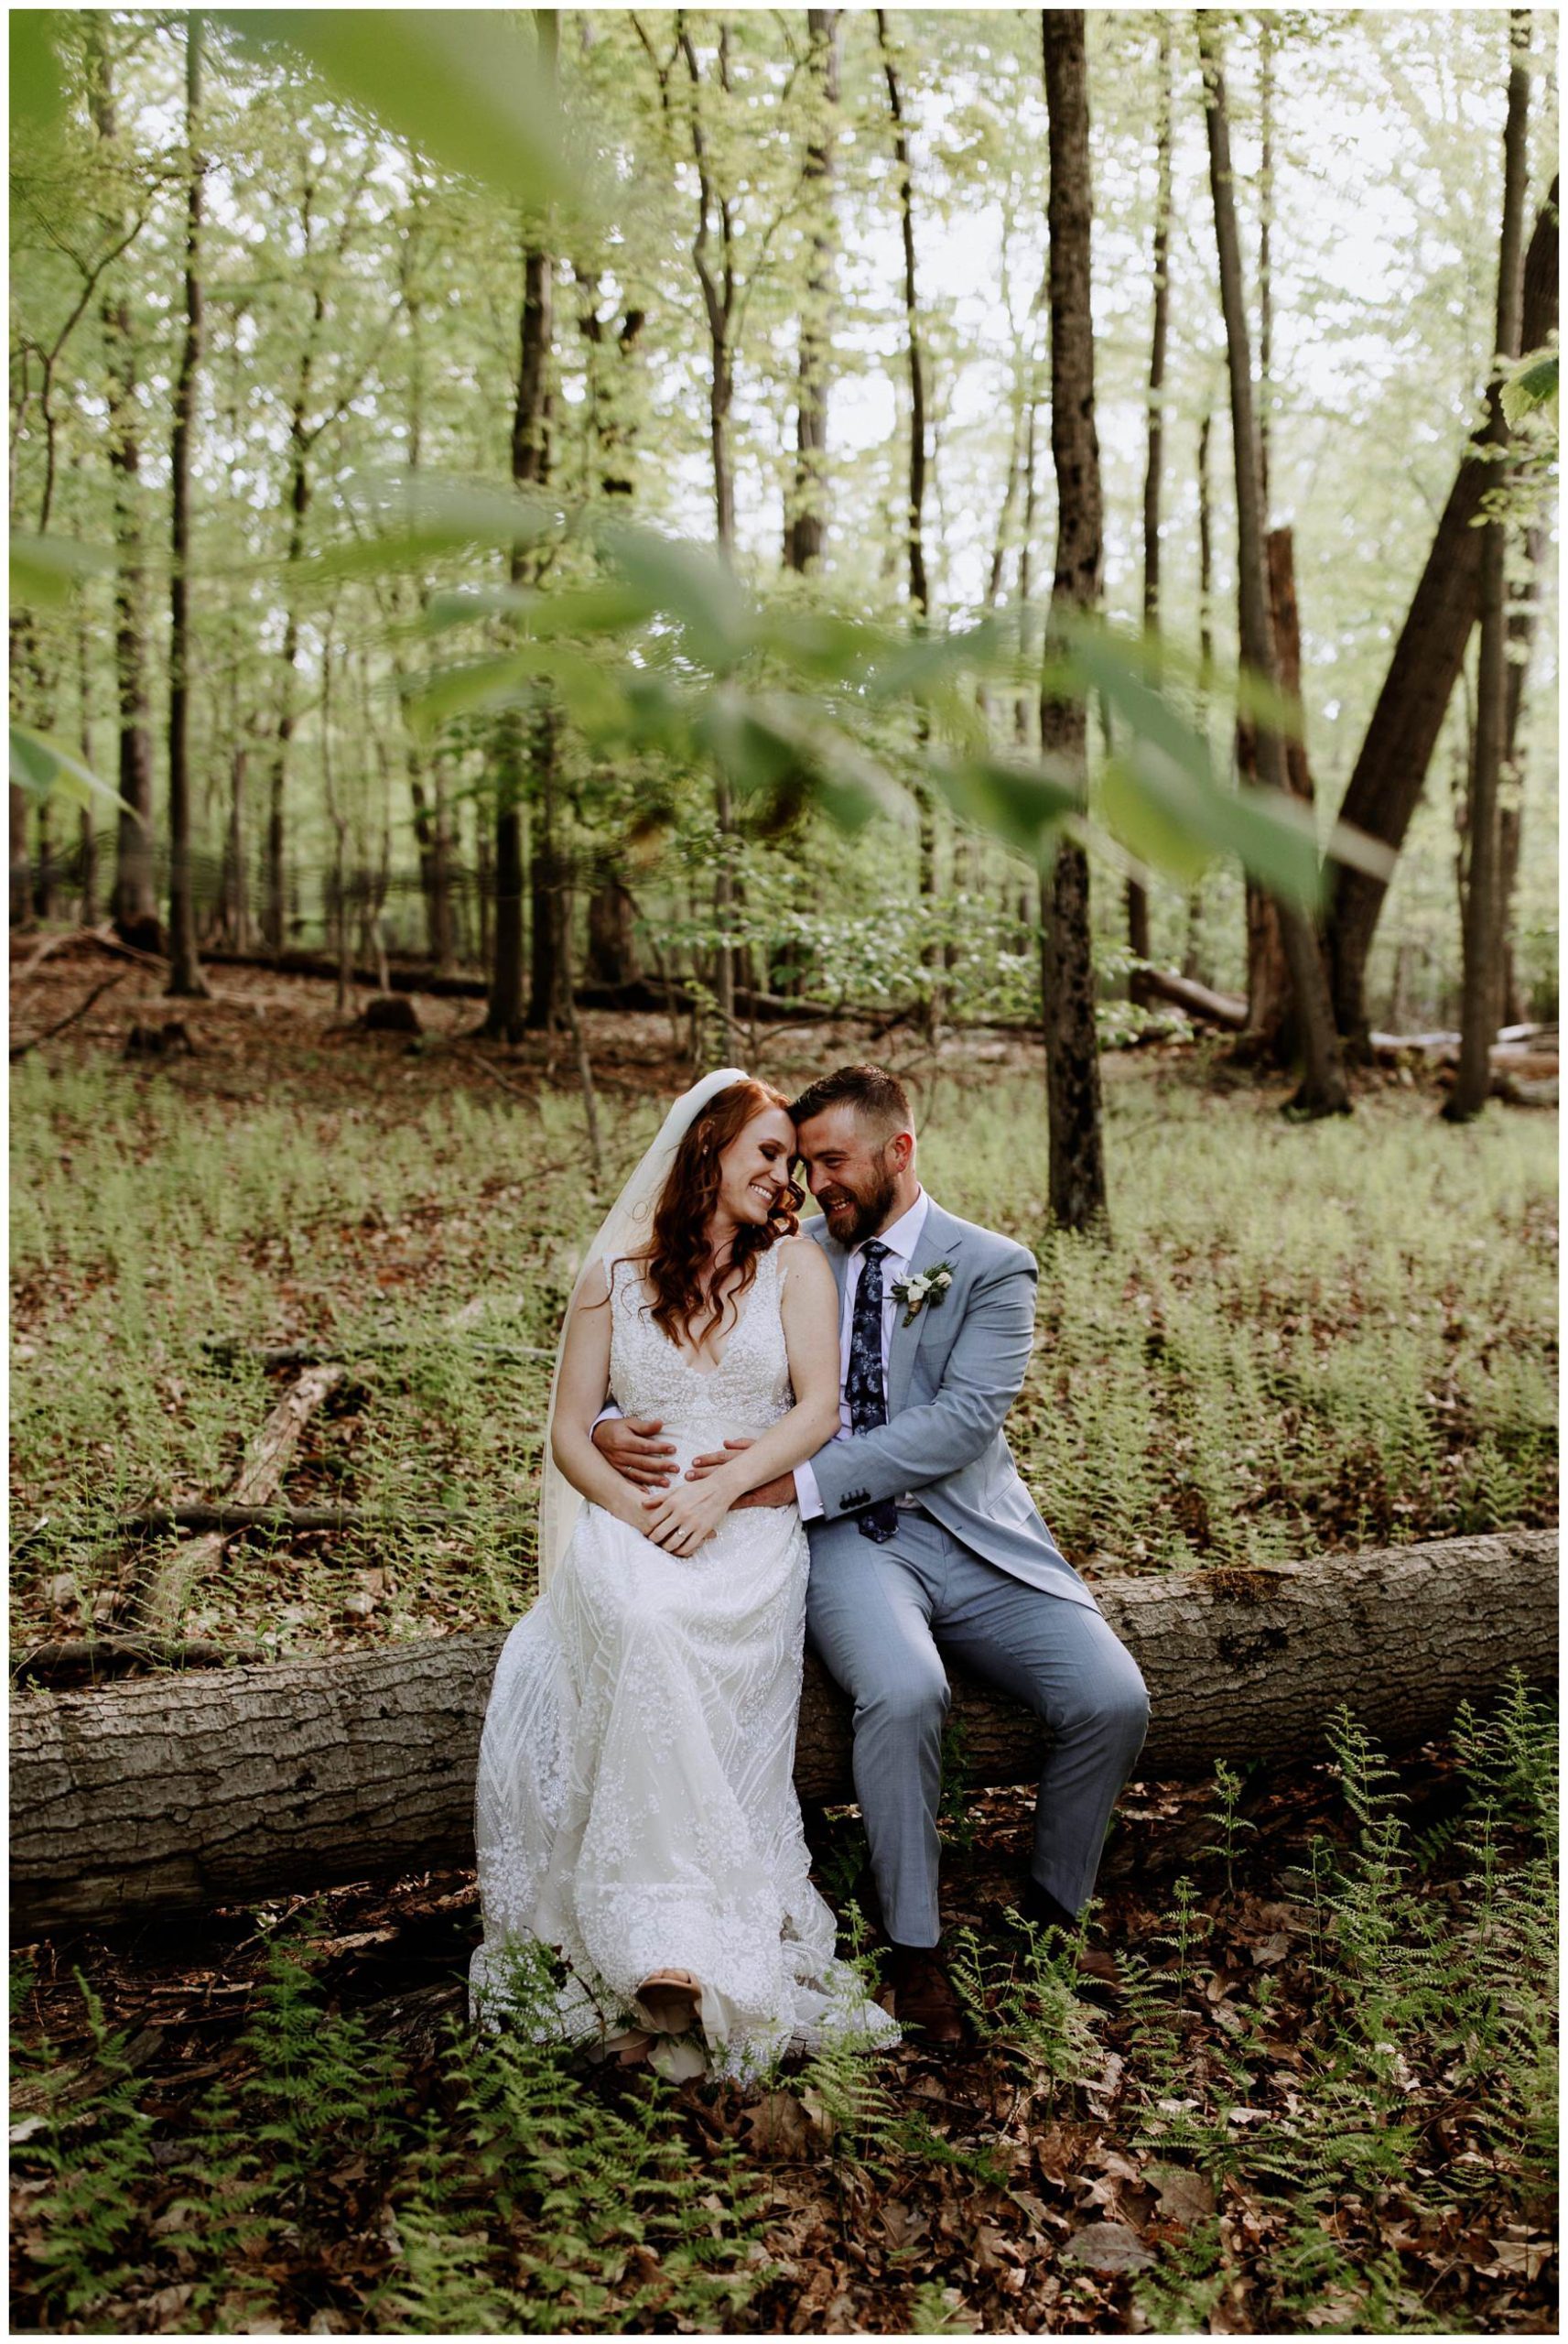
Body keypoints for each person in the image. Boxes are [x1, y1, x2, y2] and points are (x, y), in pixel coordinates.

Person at [595, 1063, 1150, 2046]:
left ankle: (1054, 1918)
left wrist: (791, 1481)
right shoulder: (788, 1252)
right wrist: (606, 1421)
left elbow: (960, 1425)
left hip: (976, 1538)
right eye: (805, 1163)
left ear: (900, 1149)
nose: (816, 1182)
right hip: (853, 1543)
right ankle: (916, 1948)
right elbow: (677, 1335)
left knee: (1112, 1698)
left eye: (834, 1160)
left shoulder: (990, 1265)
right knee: (904, 1690)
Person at [469, 1069, 898, 2079]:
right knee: (640, 1616)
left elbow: (816, 1411)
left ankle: (693, 1936)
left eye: (792, 1164)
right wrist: (635, 1513)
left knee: (671, 1629)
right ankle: (656, 1942)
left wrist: (722, 1489)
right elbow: (572, 1433)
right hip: (630, 1525)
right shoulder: (613, 1275)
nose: (784, 1179)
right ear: (706, 1148)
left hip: (745, 1525)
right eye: (766, 1156)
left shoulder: (795, 1266)